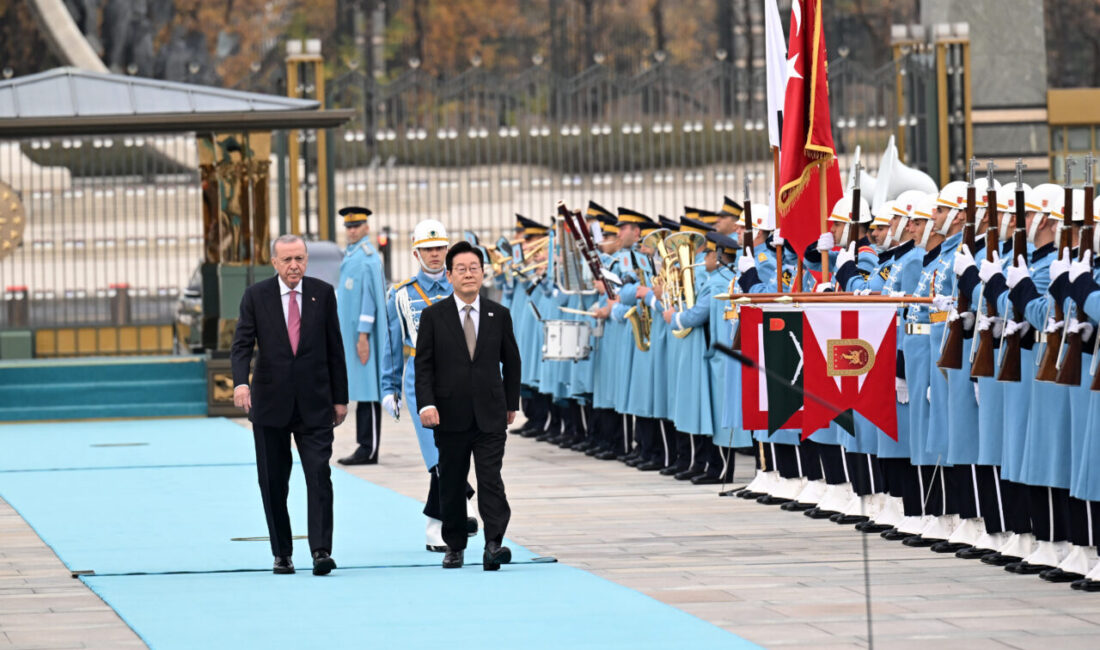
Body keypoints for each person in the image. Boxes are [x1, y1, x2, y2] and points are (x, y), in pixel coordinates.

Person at [231, 234, 348, 576]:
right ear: (275, 263)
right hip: (270, 405)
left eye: (299, 258)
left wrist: (340, 398)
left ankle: (321, 551)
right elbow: (241, 345)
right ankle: (282, 553)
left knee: (319, 475)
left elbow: (334, 349)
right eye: (287, 260)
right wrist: (241, 383)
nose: (294, 265)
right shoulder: (256, 296)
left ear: (306, 260)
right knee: (273, 481)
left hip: (315, 404)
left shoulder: (322, 294)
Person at [414, 240, 522, 570]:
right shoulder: (434, 316)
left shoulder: (498, 314)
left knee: (491, 480)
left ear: (483, 273)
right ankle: (455, 546)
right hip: (449, 415)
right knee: (451, 481)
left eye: (474, 268)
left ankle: (494, 544)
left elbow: (512, 361)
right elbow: (424, 366)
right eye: (460, 269)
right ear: (449, 275)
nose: (468, 274)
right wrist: (426, 405)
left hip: (490, 414)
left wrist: (510, 402)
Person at [335, 206, 389, 466]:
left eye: (356, 226)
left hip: (362, 337)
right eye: (348, 226)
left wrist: (364, 336)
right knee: (361, 390)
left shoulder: (368, 258)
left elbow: (370, 301)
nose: (352, 230)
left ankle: (369, 448)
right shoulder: (353, 255)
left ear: (366, 227)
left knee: (369, 391)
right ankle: (363, 445)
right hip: (352, 336)